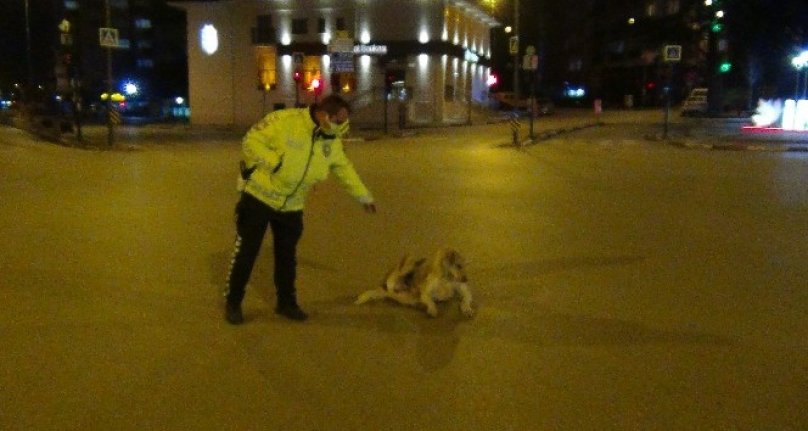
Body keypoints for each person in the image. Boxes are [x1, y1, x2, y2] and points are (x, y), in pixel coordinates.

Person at [224, 94, 376, 325]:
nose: (343, 126)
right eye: (339, 120)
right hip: (259, 198)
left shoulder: (331, 138)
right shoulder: (284, 120)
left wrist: (363, 196)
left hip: (292, 205)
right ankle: (233, 303)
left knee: (287, 257)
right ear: (325, 115)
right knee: (247, 253)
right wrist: (274, 162)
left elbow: (343, 168)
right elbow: (251, 141)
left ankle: (286, 303)